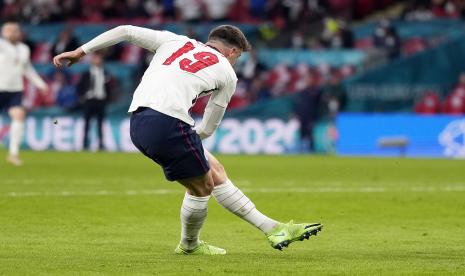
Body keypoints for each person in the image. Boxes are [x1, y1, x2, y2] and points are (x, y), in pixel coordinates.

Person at [53, 24, 322, 255]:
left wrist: (81, 51)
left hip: (138, 120)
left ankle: (273, 228)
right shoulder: (227, 73)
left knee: (215, 171)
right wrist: (197, 136)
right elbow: (211, 122)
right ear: (232, 52)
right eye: (237, 57)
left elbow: (125, 31)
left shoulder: (175, 41)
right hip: (168, 123)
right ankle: (190, 246)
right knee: (202, 186)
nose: (235, 62)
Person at [0, 21, 48, 166]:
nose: (12, 33)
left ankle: (13, 153)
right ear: (3, 33)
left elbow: (27, 69)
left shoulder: (24, 49)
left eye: (15, 30)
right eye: (9, 30)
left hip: (15, 89)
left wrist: (41, 84)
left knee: (19, 116)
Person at [77, 53, 112, 150]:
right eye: (96, 58)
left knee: (100, 124)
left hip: (101, 100)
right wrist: (81, 97)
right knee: (87, 123)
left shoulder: (105, 73)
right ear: (92, 60)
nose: (98, 60)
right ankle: (85, 144)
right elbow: (79, 86)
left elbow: (109, 88)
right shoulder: (86, 73)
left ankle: (101, 144)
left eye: (99, 59)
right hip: (89, 100)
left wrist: (107, 99)